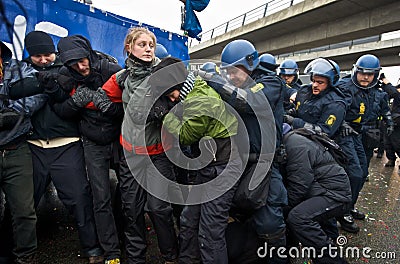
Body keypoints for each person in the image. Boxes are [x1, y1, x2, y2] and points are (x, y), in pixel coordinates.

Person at [7, 31, 104, 264]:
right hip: (33, 147)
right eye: (37, 56)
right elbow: (12, 94)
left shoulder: (68, 70)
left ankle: (93, 249)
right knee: (21, 205)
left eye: (47, 54)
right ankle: (9, 249)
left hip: (67, 146)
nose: (43, 60)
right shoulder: (21, 73)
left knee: (79, 199)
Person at [202, 39, 288, 263]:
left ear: (250, 64)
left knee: (269, 222)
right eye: (227, 72)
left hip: (264, 162)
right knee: (238, 213)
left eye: (234, 71)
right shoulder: (234, 87)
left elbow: (249, 102)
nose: (231, 76)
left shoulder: (270, 82)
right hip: (239, 162)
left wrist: (215, 82)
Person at [155, 57, 242, 264]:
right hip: (208, 165)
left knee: (210, 231)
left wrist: (166, 116)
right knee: (188, 219)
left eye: (171, 94)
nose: (173, 99)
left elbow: (185, 136)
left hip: (223, 167)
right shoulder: (191, 90)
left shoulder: (200, 100)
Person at [106, 26, 179, 264]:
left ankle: (170, 256)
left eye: (151, 45)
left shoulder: (165, 72)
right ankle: (136, 258)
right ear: (129, 47)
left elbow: (187, 99)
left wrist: (169, 105)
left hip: (158, 155)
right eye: (142, 44)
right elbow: (99, 98)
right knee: (131, 209)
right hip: (131, 156)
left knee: (160, 208)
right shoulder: (121, 77)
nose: (148, 49)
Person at [52, 34, 123, 264]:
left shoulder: (111, 69)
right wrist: (74, 103)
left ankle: (131, 241)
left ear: (90, 54)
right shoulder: (64, 77)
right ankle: (111, 251)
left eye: (83, 60)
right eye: (73, 63)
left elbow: (133, 108)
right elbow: (59, 111)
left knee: (131, 195)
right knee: (100, 198)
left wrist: (110, 108)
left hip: (118, 139)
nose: (81, 67)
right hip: (92, 141)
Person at [335, 54, 390, 233]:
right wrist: (341, 123)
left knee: (363, 173)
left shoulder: (378, 92)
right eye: (363, 73)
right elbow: (334, 106)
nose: (366, 77)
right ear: (356, 71)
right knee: (354, 174)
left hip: (368, 134)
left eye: (370, 74)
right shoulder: (344, 87)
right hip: (348, 133)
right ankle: (341, 212)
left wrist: (388, 121)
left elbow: (384, 108)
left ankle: (350, 207)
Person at [283, 124, 351, 264]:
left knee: (298, 217)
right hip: (327, 188)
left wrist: (286, 206)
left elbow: (300, 183)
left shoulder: (294, 144)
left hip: (334, 194)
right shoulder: (296, 138)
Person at [0, 40, 41, 264]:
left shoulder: (18, 68)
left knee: (24, 212)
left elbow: (38, 92)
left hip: (17, 148)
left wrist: (12, 114)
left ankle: (25, 257)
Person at [284, 58, 346, 138]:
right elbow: (299, 108)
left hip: (319, 143)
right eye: (313, 81)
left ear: (330, 83)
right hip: (298, 135)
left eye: (320, 82)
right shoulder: (306, 91)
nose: (315, 85)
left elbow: (323, 132)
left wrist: (295, 122)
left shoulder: (336, 104)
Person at [379, 73, 400, 168]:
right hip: (389, 121)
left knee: (397, 143)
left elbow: (394, 92)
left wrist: (384, 80)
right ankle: (391, 159)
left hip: (398, 122)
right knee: (387, 142)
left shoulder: (396, 94)